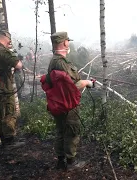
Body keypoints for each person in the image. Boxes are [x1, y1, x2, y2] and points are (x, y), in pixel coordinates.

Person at [47, 31, 94, 171]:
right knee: (72, 131)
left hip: (57, 104)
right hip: (67, 105)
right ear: (65, 43)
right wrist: (87, 82)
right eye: (68, 42)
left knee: (61, 131)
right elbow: (73, 86)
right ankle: (71, 163)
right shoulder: (62, 63)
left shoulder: (53, 61)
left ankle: (61, 162)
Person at [0, 30, 25, 149]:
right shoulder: (2, 51)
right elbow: (18, 65)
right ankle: (10, 141)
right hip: (3, 88)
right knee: (9, 112)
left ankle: (3, 139)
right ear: (6, 39)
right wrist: (13, 55)